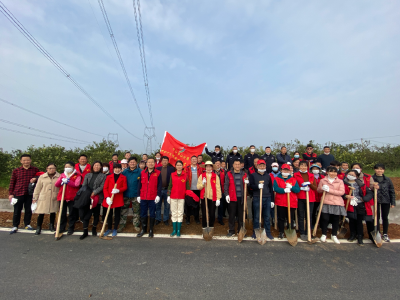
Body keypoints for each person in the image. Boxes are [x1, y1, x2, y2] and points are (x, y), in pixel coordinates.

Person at [8, 154, 40, 234]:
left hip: (30, 193)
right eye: (24, 160)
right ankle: (15, 225)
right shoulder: (16, 171)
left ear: (30, 160)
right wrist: (10, 194)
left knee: (28, 210)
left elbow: (40, 178)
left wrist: (35, 179)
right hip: (18, 193)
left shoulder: (35, 170)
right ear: (21, 161)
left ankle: (27, 224)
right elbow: (12, 182)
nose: (26, 161)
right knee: (17, 210)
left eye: (28, 160)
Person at [343, 169, 373, 245]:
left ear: (356, 176)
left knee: (359, 221)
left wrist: (364, 199)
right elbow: (341, 193)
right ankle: (352, 234)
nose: (351, 176)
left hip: (359, 204)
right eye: (349, 174)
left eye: (353, 175)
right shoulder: (343, 183)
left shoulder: (361, 184)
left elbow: (369, 193)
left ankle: (360, 236)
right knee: (351, 220)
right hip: (349, 204)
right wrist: (345, 196)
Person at [317, 166, 345, 244]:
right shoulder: (323, 180)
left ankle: (334, 235)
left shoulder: (340, 181)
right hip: (326, 201)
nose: (333, 173)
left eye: (335, 172)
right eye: (331, 171)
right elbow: (318, 190)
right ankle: (324, 234)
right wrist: (322, 188)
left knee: (335, 219)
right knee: (325, 219)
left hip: (337, 202)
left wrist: (330, 190)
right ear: (327, 172)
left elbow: (341, 192)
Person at [79, 161, 107, 239]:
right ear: (92, 166)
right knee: (86, 214)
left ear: (101, 167)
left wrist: (94, 192)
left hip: (97, 197)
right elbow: (84, 185)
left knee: (96, 214)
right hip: (87, 197)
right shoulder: (88, 175)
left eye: (98, 165)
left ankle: (94, 228)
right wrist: (88, 193)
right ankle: (85, 231)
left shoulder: (103, 176)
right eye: (95, 165)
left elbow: (102, 186)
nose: (96, 167)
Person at [32, 163, 60, 235]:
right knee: (41, 213)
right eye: (49, 168)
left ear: (55, 169)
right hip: (44, 197)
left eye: (53, 168)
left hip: (54, 196)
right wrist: (35, 197)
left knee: (53, 212)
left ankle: (51, 225)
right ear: (47, 169)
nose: (51, 170)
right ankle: (39, 227)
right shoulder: (42, 177)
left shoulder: (59, 176)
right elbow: (38, 187)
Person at [273, 164, 300, 239]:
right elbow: (275, 188)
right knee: (281, 218)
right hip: (281, 201)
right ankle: (281, 232)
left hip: (291, 202)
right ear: (281, 170)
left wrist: (291, 187)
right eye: (284, 170)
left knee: (290, 218)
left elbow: (297, 190)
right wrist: (283, 190)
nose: (285, 171)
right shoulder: (277, 179)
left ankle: (289, 231)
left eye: (287, 170)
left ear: (289, 171)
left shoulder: (293, 179)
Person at [249, 160, 274, 240]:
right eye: (260, 165)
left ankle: (268, 232)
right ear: (257, 166)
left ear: (265, 166)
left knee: (267, 216)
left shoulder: (268, 176)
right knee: (256, 216)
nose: (262, 167)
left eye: (263, 166)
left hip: (267, 197)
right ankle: (255, 232)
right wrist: (257, 186)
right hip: (257, 197)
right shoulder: (253, 175)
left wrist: (272, 200)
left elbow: (270, 188)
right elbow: (251, 186)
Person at [55, 161, 82, 235]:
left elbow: (77, 184)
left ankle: (71, 227)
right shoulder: (62, 175)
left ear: (73, 167)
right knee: (62, 213)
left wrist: (68, 181)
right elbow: (56, 184)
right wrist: (62, 180)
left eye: (69, 167)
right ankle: (61, 227)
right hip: (63, 196)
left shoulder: (77, 175)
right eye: (66, 167)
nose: (67, 168)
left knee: (72, 213)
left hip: (72, 197)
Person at [137, 158, 162, 238]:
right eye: (149, 162)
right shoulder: (142, 173)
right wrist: (138, 195)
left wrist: (158, 195)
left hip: (153, 197)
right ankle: (143, 229)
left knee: (152, 213)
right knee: (143, 213)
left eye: (152, 162)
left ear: (154, 163)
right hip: (143, 196)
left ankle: (151, 230)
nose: (150, 163)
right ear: (146, 163)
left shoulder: (158, 173)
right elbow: (139, 185)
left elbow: (159, 185)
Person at [294, 161, 318, 241]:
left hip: (310, 198)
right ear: (299, 166)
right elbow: (294, 186)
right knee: (301, 216)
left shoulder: (311, 175)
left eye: (305, 166)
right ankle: (302, 233)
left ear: (307, 167)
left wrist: (309, 184)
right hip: (300, 197)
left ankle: (308, 232)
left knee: (309, 216)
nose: (303, 167)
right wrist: (300, 188)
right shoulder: (295, 175)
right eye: (301, 166)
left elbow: (315, 187)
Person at [102, 163, 127, 237]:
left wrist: (118, 190)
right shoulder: (109, 177)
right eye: (115, 168)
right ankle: (109, 228)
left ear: (121, 169)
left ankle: (115, 228)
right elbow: (105, 188)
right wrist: (107, 197)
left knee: (117, 214)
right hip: (109, 198)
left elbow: (125, 187)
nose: (117, 169)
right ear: (113, 169)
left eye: (119, 168)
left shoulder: (123, 177)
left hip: (118, 198)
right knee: (109, 214)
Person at [224, 159, 248, 237]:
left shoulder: (244, 174)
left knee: (241, 216)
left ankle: (240, 230)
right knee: (232, 215)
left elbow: (248, 186)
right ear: (233, 165)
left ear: (241, 165)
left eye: (239, 164)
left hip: (241, 198)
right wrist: (227, 194)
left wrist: (248, 182)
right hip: (232, 198)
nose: (237, 166)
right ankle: (231, 230)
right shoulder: (229, 174)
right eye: (236, 164)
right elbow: (226, 185)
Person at [372, 163, 396, 242]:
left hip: (386, 200)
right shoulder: (372, 178)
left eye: (381, 169)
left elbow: (391, 191)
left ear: (384, 170)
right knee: (376, 217)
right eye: (378, 169)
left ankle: (385, 234)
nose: (379, 170)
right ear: (375, 169)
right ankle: (377, 232)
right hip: (376, 200)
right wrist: (373, 188)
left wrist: (392, 202)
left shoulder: (387, 179)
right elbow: (368, 188)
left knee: (385, 217)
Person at [119, 157, 142, 232]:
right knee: (123, 211)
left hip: (136, 194)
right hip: (126, 194)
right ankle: (122, 225)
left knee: (136, 211)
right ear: (128, 163)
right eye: (131, 162)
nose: (132, 163)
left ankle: (136, 225)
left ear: (136, 163)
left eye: (134, 162)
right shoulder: (125, 172)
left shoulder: (140, 172)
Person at [197, 161, 222, 231]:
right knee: (204, 213)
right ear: (205, 168)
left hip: (212, 197)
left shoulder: (215, 176)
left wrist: (218, 198)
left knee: (212, 213)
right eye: (207, 166)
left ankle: (211, 227)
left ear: (212, 168)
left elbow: (218, 188)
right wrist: (202, 184)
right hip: (204, 197)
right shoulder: (202, 176)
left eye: (210, 166)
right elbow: (198, 187)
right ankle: (204, 227)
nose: (208, 168)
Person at [167, 160, 189, 237]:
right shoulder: (172, 174)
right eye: (178, 165)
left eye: (180, 165)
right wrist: (168, 195)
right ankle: (174, 230)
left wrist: (188, 196)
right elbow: (170, 185)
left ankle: (179, 230)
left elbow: (188, 187)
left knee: (180, 213)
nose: (179, 166)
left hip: (181, 197)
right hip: (173, 196)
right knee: (173, 213)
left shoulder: (185, 175)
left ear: (182, 166)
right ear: (175, 166)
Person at [156, 156, 175, 225]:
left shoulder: (171, 169)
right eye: (163, 160)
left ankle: (165, 219)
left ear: (168, 161)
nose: (165, 161)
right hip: (159, 189)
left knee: (167, 205)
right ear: (161, 161)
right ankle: (158, 218)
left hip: (167, 189)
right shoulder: (157, 169)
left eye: (166, 160)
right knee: (158, 205)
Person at [185, 156, 203, 225]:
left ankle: (197, 218)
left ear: (197, 160)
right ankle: (188, 218)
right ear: (190, 160)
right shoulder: (187, 168)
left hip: (198, 189)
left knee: (197, 205)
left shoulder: (200, 168)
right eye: (193, 159)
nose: (194, 160)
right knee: (188, 204)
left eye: (195, 159)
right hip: (189, 189)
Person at [309, 164, 325, 229]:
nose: (315, 170)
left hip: (321, 197)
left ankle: (321, 225)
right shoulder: (310, 176)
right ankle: (313, 224)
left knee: (321, 212)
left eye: (317, 169)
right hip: (313, 196)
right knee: (312, 211)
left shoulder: (323, 177)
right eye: (313, 169)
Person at [214, 159, 227, 225]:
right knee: (212, 207)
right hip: (213, 192)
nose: (218, 165)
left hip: (221, 191)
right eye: (216, 163)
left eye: (219, 163)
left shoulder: (224, 172)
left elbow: (226, 182)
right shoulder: (211, 172)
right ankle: (212, 219)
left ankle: (220, 219)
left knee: (221, 207)